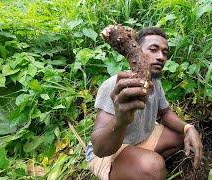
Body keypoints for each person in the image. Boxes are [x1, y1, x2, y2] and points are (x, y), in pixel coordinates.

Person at [85, 27, 203, 180]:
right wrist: (120, 121)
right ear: (138, 50)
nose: (161, 57)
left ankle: (139, 165)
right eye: (153, 49)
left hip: (141, 138)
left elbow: (165, 113)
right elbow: (99, 149)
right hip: (111, 151)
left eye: (164, 52)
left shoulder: (155, 82)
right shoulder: (116, 85)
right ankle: (142, 168)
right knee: (153, 167)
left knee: (182, 136)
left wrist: (188, 127)